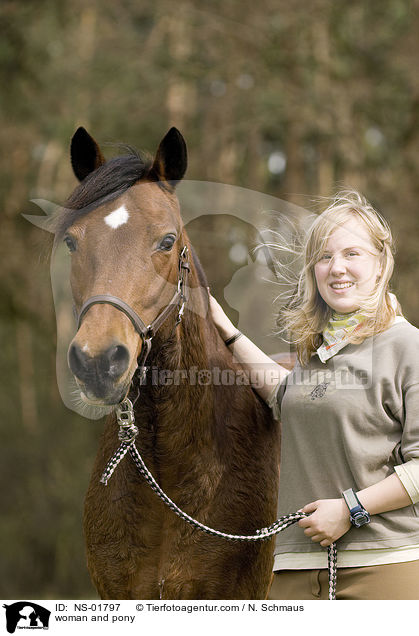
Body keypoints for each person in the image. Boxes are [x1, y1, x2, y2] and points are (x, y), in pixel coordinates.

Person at [209, 190, 419, 600]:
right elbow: (287, 395)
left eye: (352, 254)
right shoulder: (318, 350)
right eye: (324, 257)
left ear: (381, 265)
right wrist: (224, 328)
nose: (336, 268)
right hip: (292, 568)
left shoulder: (408, 346)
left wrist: (351, 508)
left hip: (384, 566)